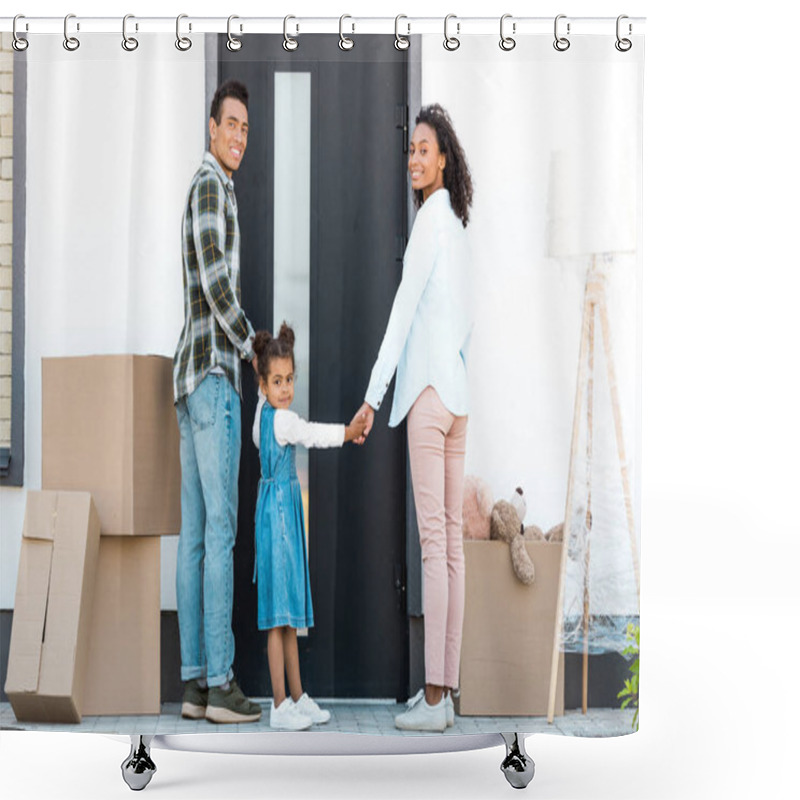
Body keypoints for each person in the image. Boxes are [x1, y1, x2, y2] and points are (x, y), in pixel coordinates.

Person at [356, 104, 474, 732]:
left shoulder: (431, 222)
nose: (414, 159)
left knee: (435, 545)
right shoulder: (455, 223)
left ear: (443, 159)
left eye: (424, 149)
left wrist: (373, 397)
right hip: (456, 397)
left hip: (429, 396)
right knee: (451, 547)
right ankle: (444, 692)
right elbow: (467, 323)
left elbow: (403, 314)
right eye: (411, 151)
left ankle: (432, 700)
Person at [173, 80, 262, 724]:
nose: (238, 137)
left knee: (198, 539)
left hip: (191, 380)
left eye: (245, 130)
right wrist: (253, 346)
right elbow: (215, 281)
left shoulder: (216, 186)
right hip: (212, 378)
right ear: (211, 128)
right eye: (230, 125)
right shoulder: (210, 186)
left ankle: (195, 686)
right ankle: (222, 683)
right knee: (219, 533)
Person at [252, 323, 368, 730]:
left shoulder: (262, 415)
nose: (285, 389)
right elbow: (312, 435)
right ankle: (279, 705)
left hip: (271, 512)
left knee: (285, 616)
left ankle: (297, 698)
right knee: (277, 617)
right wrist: (349, 432)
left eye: (290, 380)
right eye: (277, 381)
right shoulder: (283, 421)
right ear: (263, 383)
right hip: (281, 516)